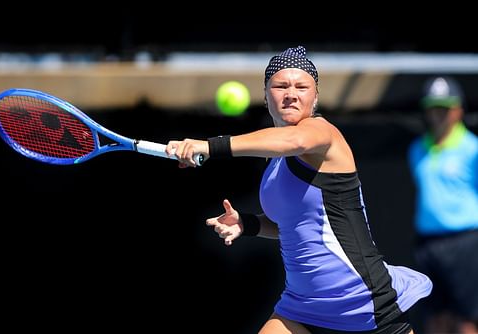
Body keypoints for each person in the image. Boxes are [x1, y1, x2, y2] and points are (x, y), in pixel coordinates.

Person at [166, 46, 432, 334]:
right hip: (302, 307)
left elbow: (294, 140)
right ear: (266, 95)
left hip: (360, 302)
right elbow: (293, 225)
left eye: (301, 86)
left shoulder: (321, 132)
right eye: (280, 86)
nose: (291, 93)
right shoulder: (273, 159)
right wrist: (248, 223)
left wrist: (210, 146)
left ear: (314, 97)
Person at [407, 76, 478, 334]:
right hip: (428, 245)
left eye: (444, 108)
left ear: (458, 110)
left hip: (465, 243)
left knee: (466, 320)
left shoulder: (473, 149)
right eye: (433, 108)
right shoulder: (417, 149)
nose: (438, 114)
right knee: (434, 320)